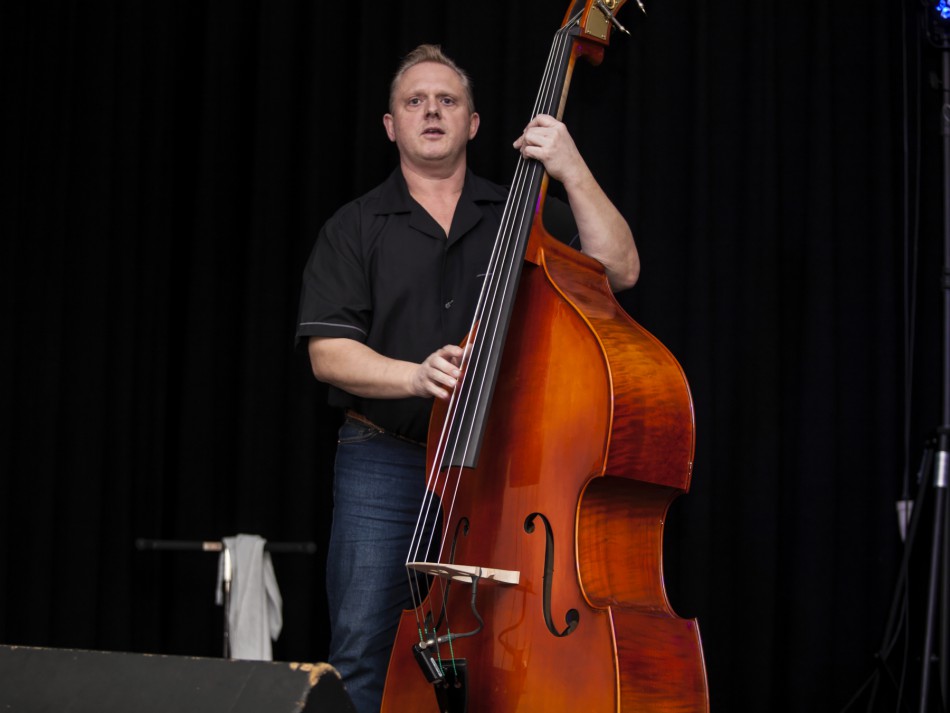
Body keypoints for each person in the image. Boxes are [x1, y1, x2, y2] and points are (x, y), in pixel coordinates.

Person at [296, 44, 639, 713]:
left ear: (473, 123)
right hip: (385, 457)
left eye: (447, 100)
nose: (431, 111)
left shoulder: (522, 216)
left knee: (502, 648)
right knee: (362, 648)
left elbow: (619, 268)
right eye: (414, 101)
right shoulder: (354, 227)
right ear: (390, 124)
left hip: (502, 466)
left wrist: (570, 168)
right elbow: (328, 353)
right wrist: (414, 375)